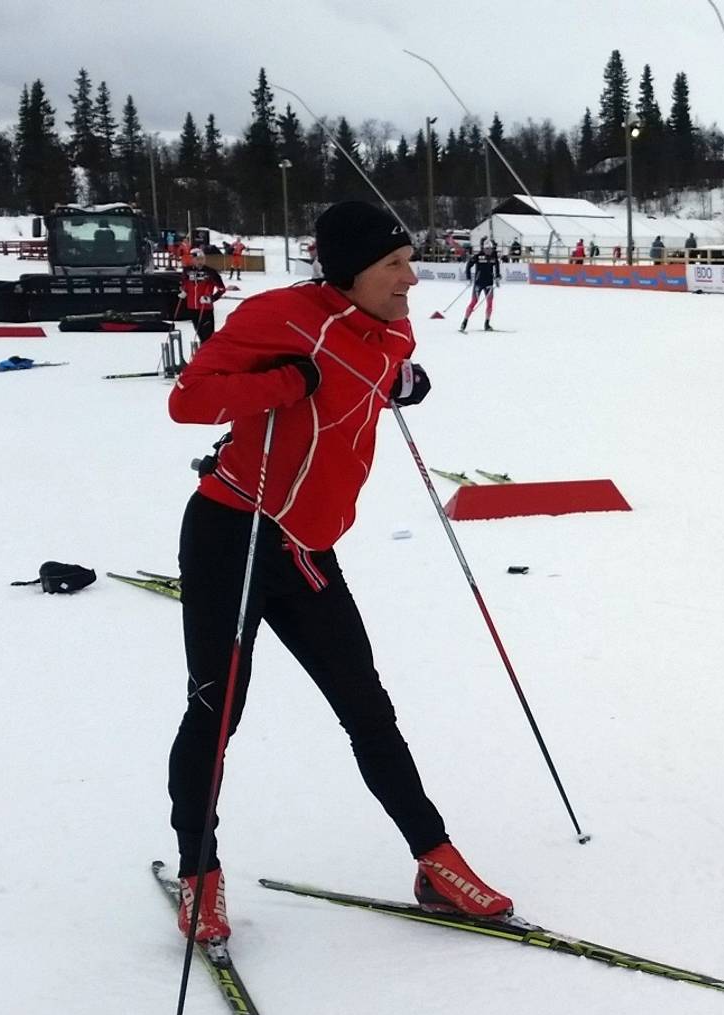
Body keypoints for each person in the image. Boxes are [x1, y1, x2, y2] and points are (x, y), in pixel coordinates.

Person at [163, 200, 512, 942]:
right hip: (233, 533)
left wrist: (404, 383)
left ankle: (434, 858)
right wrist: (281, 387)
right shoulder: (276, 317)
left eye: (409, 261)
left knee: (367, 706)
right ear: (350, 269)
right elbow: (188, 400)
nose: (411, 278)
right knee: (217, 710)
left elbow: (374, 371)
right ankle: (200, 872)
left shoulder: (389, 326)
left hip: (305, 548)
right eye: (394, 264)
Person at [176, 249, 228, 345]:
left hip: (205, 309)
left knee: (207, 337)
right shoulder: (187, 271)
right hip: (192, 308)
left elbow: (221, 289)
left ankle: (209, 355)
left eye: (202, 259)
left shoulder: (211, 272)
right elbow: (184, 284)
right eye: (197, 259)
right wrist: (184, 291)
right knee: (199, 334)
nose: (200, 261)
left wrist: (210, 299)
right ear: (192, 259)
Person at [460, 238, 502, 332]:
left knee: (490, 303)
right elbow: (469, 265)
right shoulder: (478, 256)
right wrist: (468, 278)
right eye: (487, 249)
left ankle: (487, 323)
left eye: (490, 249)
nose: (489, 251)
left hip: (489, 284)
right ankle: (464, 322)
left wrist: (498, 277)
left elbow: (497, 268)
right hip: (478, 283)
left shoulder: (494, 256)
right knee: (474, 302)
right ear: (483, 249)